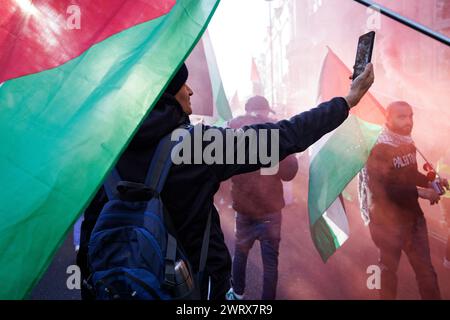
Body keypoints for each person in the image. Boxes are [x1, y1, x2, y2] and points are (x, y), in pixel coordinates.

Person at [77, 62, 374, 300]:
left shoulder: (104, 152)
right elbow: (282, 137)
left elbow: (90, 238)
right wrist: (347, 101)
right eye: (182, 83)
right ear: (165, 95)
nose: (191, 90)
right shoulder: (197, 146)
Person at [359, 101, 448, 300]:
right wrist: (423, 193)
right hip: (387, 224)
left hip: (413, 220)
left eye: (410, 116)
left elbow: (410, 174)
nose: (408, 121)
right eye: (402, 117)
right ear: (388, 119)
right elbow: (383, 188)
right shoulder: (378, 148)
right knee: (388, 273)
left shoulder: (407, 142)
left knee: (426, 273)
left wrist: (430, 181)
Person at [225, 96, 298, 300]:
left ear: (247, 110)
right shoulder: (276, 130)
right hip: (270, 208)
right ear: (266, 111)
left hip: (244, 207)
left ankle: (237, 295)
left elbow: (221, 167)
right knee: (270, 262)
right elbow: (289, 172)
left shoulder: (232, 129)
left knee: (240, 254)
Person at [437, 148, 450, 268]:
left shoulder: (441, 160)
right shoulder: (444, 161)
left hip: (445, 199)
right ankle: (448, 260)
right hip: (447, 200)